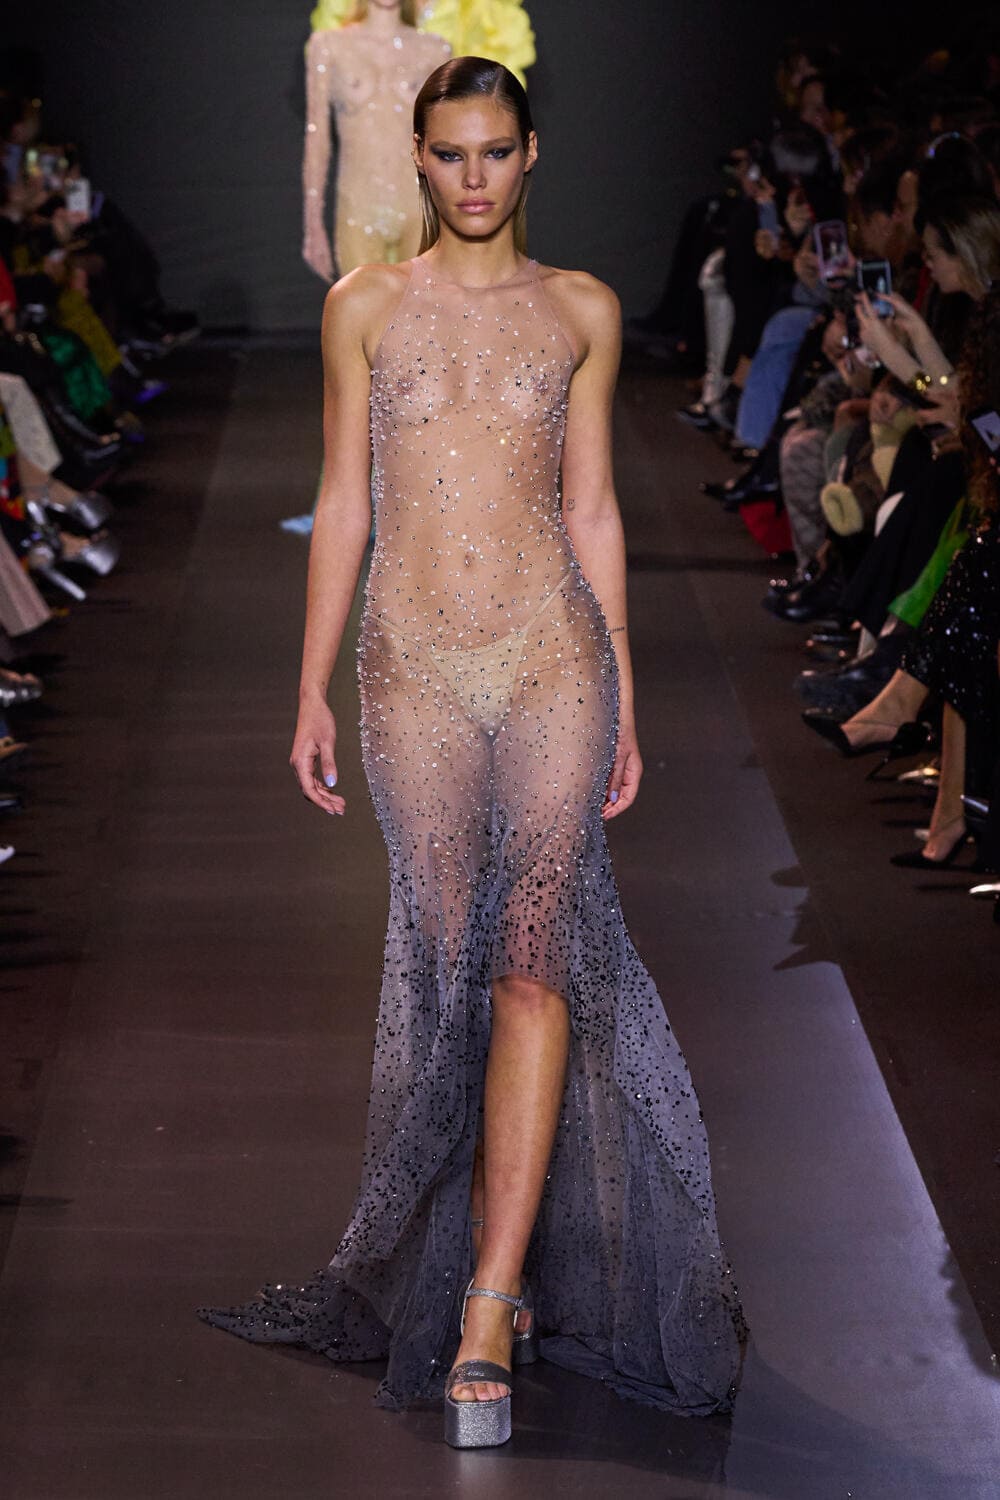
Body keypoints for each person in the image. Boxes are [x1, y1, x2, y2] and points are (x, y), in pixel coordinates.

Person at [201, 55, 745, 1447]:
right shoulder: (365, 307)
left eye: (495, 151)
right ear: (420, 158)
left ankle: (492, 1303)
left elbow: (594, 509)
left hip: (555, 654)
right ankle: (490, 1253)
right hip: (414, 666)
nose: (474, 177)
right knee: (456, 971)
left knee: (531, 963)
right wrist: (309, 685)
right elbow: (343, 499)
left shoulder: (581, 311)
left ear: (532, 151)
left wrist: (624, 688)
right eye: (449, 154)